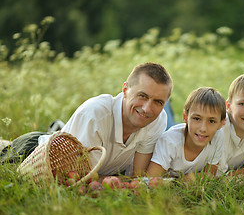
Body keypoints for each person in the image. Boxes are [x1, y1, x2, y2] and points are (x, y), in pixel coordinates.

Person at [2, 62, 173, 177]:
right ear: (125, 90)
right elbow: (81, 178)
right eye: (142, 96)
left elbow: (138, 178)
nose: (147, 108)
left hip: (98, 166)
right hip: (36, 154)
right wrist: (124, 184)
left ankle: (60, 128)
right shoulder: (96, 115)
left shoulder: (158, 120)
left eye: (158, 102)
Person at [146, 87, 226, 177]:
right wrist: (185, 181)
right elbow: (151, 181)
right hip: (169, 132)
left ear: (221, 123)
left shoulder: (218, 136)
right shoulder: (169, 141)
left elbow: (209, 175)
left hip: (187, 130)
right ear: (185, 116)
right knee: (163, 118)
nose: (203, 128)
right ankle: (166, 102)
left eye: (211, 121)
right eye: (197, 118)